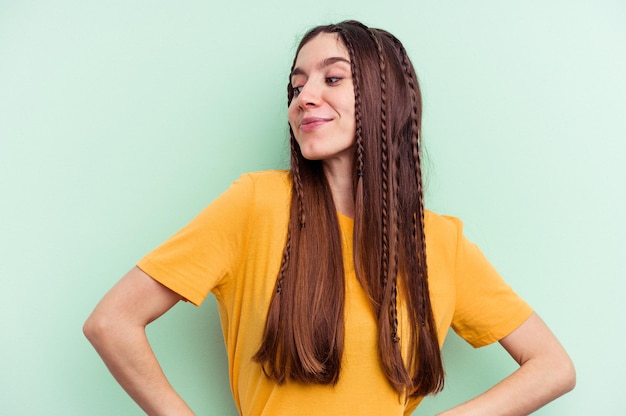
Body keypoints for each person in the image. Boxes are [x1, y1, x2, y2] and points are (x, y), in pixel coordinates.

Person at [83, 20, 575, 415]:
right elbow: (112, 321)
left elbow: (553, 367)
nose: (304, 98)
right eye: (296, 87)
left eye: (332, 78)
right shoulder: (255, 204)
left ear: (387, 99)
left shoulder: (438, 242)